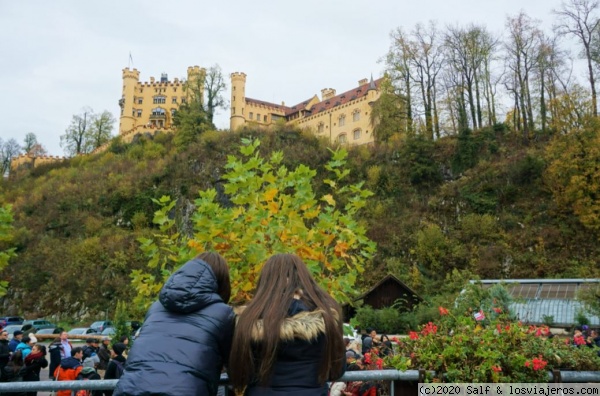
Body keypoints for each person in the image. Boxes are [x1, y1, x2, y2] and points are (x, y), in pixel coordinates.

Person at [113, 252, 235, 396]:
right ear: (222, 281)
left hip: (130, 389)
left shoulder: (156, 307)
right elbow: (233, 364)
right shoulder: (223, 313)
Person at [229, 253, 346, 396]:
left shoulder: (247, 320)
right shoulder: (327, 318)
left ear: (265, 281)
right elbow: (337, 370)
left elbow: (239, 372)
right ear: (303, 278)